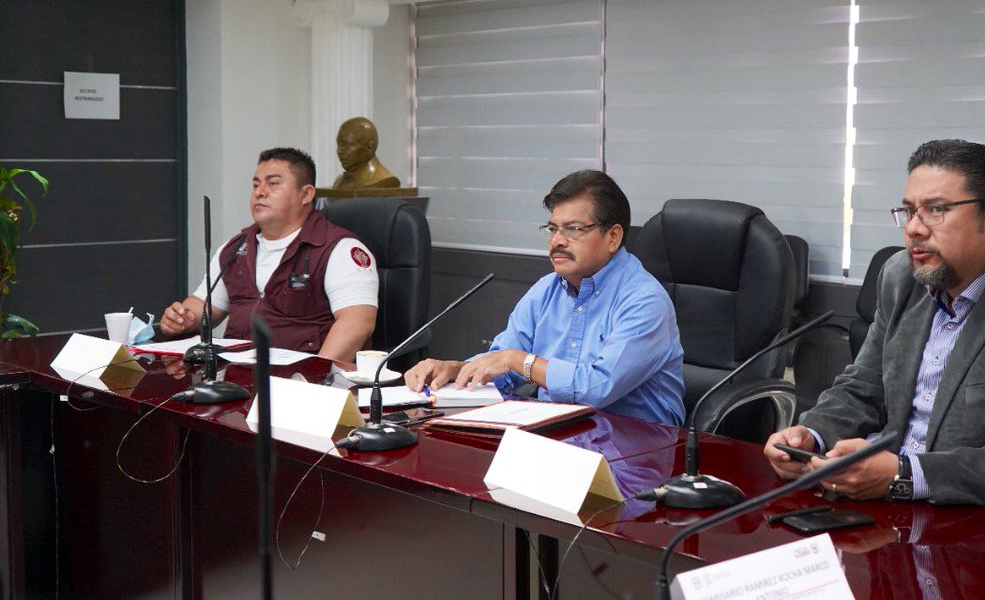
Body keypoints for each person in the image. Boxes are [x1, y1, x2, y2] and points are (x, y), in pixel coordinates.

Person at [764, 139, 985, 505]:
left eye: (936, 210)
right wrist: (811, 436)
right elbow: (863, 389)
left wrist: (903, 475)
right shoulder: (902, 277)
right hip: (890, 509)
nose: (913, 229)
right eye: (909, 211)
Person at [403, 170, 686, 426]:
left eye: (573, 229)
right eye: (552, 229)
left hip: (637, 446)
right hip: (557, 435)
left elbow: (595, 388)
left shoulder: (644, 301)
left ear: (612, 237)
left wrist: (517, 361)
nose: (556, 241)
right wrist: (456, 370)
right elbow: (502, 364)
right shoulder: (546, 290)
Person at [161, 148, 379, 362]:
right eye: (256, 185)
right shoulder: (236, 248)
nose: (260, 192)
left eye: (273, 183)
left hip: (302, 378)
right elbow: (204, 305)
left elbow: (357, 323)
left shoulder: (339, 249)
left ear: (306, 194)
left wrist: (313, 376)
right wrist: (182, 318)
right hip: (237, 374)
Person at [330, 117, 401, 189]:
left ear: (370, 147)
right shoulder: (339, 181)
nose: (339, 151)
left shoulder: (384, 180)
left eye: (347, 145)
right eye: (339, 144)